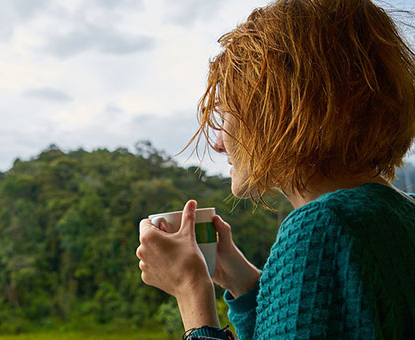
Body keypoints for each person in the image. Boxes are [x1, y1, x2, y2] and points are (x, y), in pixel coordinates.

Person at [135, 0, 415, 339]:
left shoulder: (321, 228)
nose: (218, 144)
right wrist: (242, 281)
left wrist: (191, 290)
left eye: (225, 115)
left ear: (276, 113)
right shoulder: (401, 213)